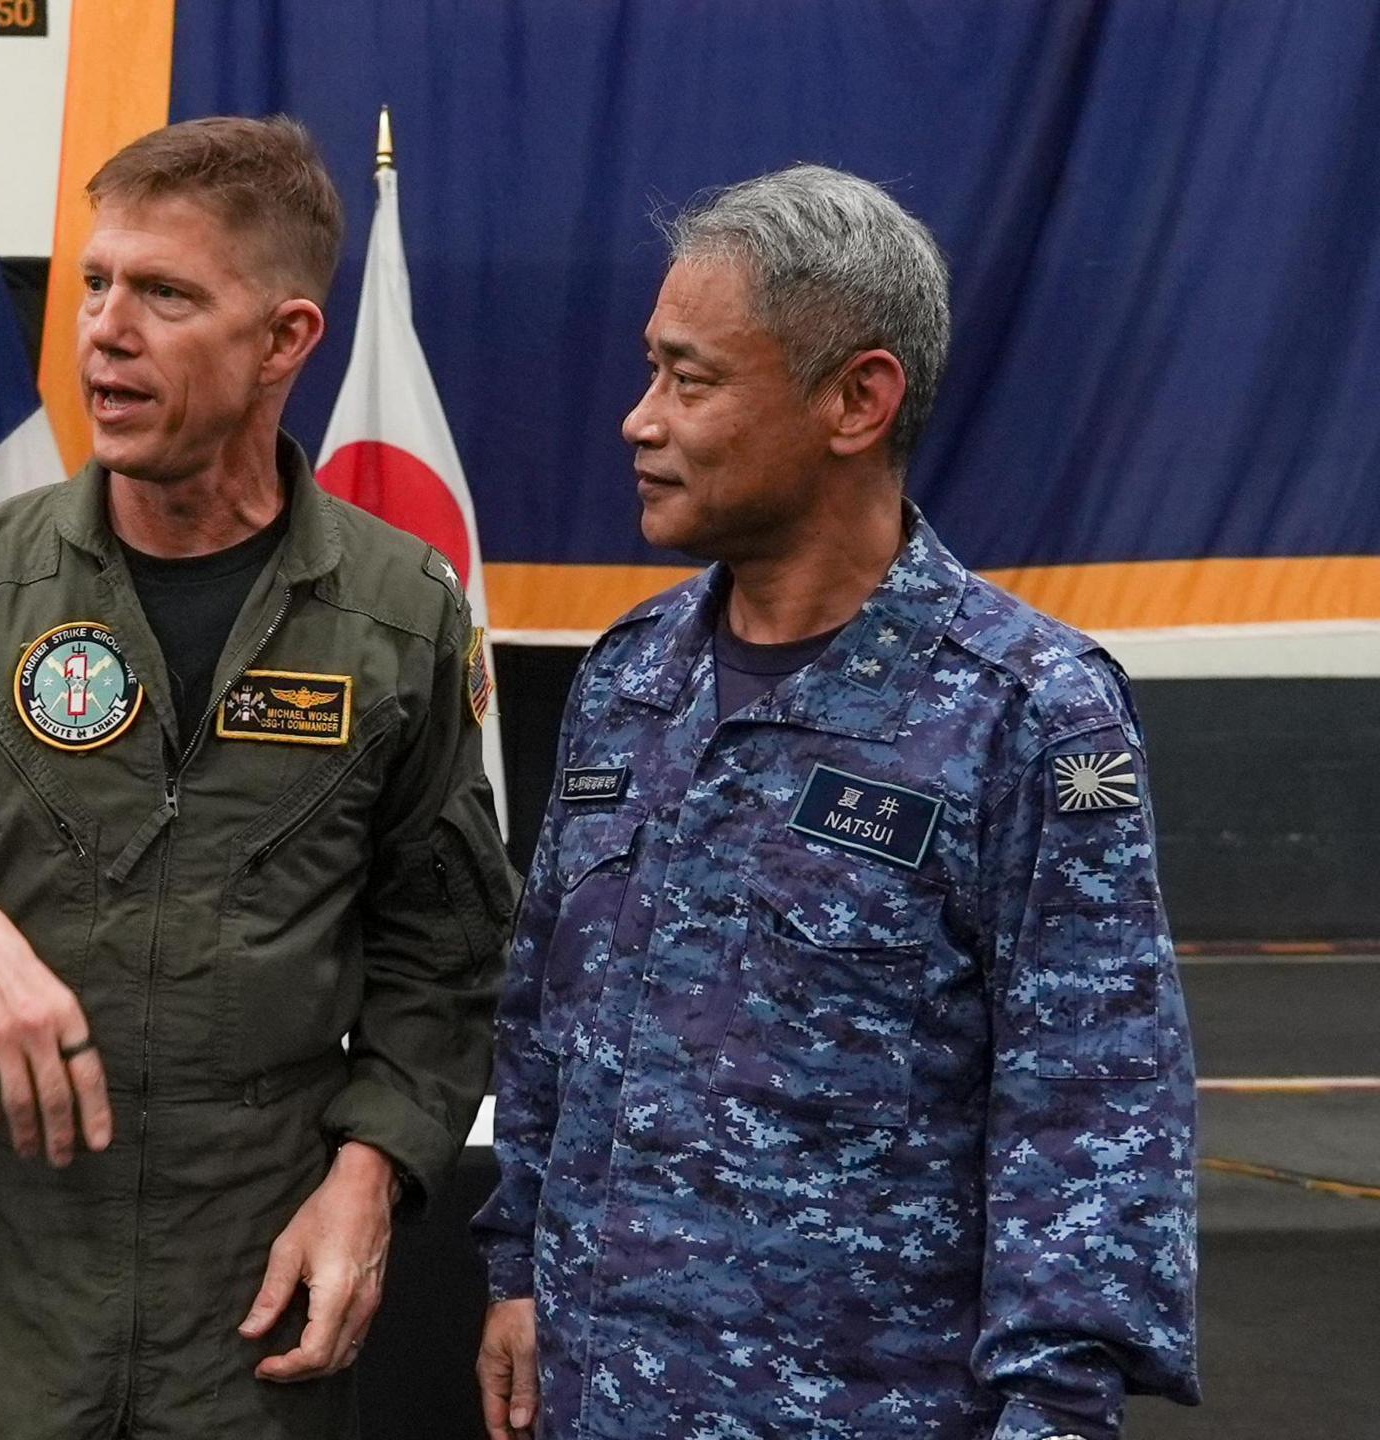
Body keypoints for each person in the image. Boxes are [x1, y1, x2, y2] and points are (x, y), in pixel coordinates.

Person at [0, 116, 516, 1439]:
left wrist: (371, 1172)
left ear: (285, 340)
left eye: (166, 294)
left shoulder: (400, 618)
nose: (107, 329)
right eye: (98, 283)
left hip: (247, 1312)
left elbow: (445, 952)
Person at [471, 166, 1200, 1440]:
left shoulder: (1026, 713)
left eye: (690, 381)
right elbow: (548, 1012)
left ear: (857, 400)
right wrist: (518, 1269)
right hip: (597, 1398)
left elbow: (1090, 1115)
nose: (638, 420)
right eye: (650, 371)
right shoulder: (629, 679)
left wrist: (1053, 1414)